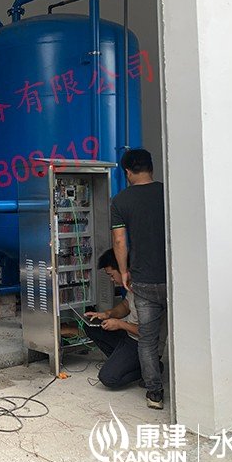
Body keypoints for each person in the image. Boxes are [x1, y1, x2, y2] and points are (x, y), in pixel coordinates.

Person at [110, 148, 167, 410]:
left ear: (127, 172)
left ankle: (154, 393)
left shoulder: (121, 200)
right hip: (175, 278)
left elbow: (119, 240)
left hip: (143, 281)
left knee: (147, 338)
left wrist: (123, 271)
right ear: (151, 167)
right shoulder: (168, 192)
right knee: (183, 332)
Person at [82, 249, 142, 389]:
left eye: (111, 275)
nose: (111, 279)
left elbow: (147, 332)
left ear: (123, 269)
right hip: (129, 336)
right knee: (92, 327)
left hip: (142, 344)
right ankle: (121, 362)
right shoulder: (131, 285)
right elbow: (126, 306)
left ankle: (149, 369)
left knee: (108, 378)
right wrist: (107, 314)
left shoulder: (144, 290)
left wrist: (120, 324)